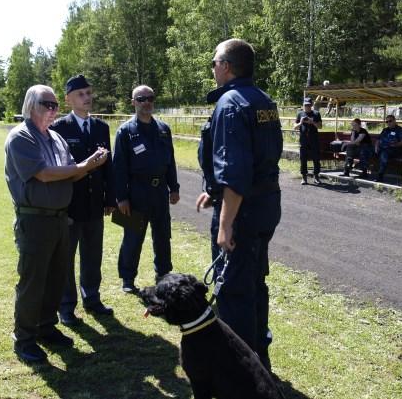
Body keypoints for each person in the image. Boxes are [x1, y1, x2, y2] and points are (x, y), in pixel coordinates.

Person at [4, 84, 109, 363]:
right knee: (33, 282)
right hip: (35, 219)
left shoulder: (56, 138)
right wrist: (84, 166)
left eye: (54, 106)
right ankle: (24, 338)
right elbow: (45, 174)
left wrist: (89, 165)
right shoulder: (21, 137)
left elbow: (70, 174)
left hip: (61, 218)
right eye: (46, 104)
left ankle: (46, 328)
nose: (52, 110)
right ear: (30, 106)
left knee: (55, 279)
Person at [196, 38, 282, 370]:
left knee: (232, 291)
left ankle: (243, 371)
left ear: (227, 67)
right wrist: (215, 191)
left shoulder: (231, 103)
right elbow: (262, 157)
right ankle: (260, 358)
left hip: (242, 213)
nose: (213, 68)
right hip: (264, 208)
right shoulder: (264, 101)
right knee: (255, 284)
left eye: (215, 62)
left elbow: (236, 172)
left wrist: (225, 222)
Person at [50, 75, 116, 326]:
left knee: (92, 254)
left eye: (89, 93)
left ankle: (92, 298)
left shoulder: (101, 128)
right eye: (81, 94)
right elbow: (58, 170)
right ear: (68, 100)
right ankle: (66, 306)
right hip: (69, 205)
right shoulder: (59, 129)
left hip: (94, 205)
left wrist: (110, 197)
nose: (87, 98)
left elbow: (109, 166)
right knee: (66, 258)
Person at [112, 85, 180, 293]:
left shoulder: (163, 129)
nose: (146, 102)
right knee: (132, 238)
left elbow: (171, 162)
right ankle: (127, 279)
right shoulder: (125, 131)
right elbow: (118, 168)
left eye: (150, 98)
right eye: (141, 99)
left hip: (159, 192)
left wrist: (174, 187)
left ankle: (164, 275)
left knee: (162, 236)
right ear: (133, 103)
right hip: (135, 193)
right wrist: (121, 198)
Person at [294, 97, 322, 185]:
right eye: (305, 105)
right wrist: (301, 122)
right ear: (303, 105)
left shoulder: (316, 114)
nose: (307, 107)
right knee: (303, 158)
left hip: (314, 139)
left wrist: (312, 122)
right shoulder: (300, 114)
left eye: (309, 105)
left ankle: (316, 176)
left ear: (311, 105)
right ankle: (304, 177)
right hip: (303, 140)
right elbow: (295, 127)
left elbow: (320, 126)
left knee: (316, 158)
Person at [375, 114, 402, 182]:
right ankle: (364, 172)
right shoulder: (385, 130)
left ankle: (380, 175)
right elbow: (378, 139)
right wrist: (376, 147)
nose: (388, 123)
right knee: (367, 150)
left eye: (390, 121)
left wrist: (395, 145)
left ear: (394, 121)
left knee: (384, 154)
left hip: (394, 150)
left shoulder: (400, 130)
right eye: (387, 122)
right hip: (382, 148)